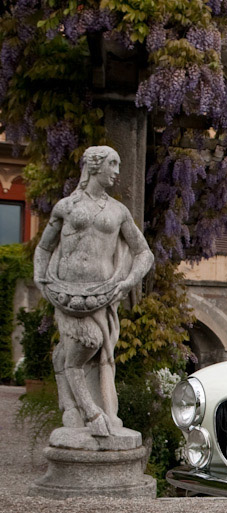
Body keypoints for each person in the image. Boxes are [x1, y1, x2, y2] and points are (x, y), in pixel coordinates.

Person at [33, 145, 154, 437]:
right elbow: (45, 247)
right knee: (87, 343)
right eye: (113, 164)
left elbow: (143, 253)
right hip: (66, 292)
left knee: (97, 349)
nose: (117, 171)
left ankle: (85, 406)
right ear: (94, 166)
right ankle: (89, 411)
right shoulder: (66, 206)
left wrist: (128, 281)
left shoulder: (118, 211)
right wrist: (40, 277)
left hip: (103, 292)